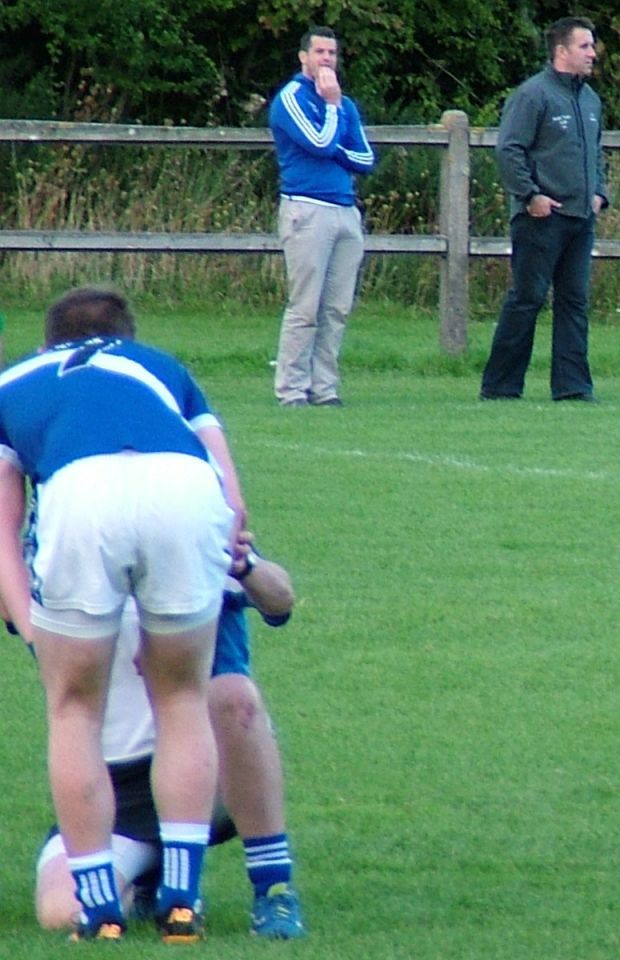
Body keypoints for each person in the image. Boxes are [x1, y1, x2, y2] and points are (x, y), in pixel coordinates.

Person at [0, 286, 246, 942]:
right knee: (183, 698)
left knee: (73, 708)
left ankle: (102, 906)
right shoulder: (162, 366)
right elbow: (232, 499)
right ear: (126, 336)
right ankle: (182, 900)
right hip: (181, 484)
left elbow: (1, 521)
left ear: (48, 342)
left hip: (82, 492)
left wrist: (29, 623)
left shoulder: (13, 382)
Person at [32, 533, 306, 940]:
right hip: (115, 790)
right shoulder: (66, 545)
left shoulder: (185, 531)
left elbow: (280, 600)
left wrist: (245, 566)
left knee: (233, 696)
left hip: (211, 770)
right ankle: (152, 878)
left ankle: (274, 886)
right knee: (61, 910)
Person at [479, 16, 609, 402]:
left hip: (580, 217)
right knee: (527, 299)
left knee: (575, 302)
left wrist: (600, 191)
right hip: (542, 217)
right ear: (561, 51)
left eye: (593, 46)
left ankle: (572, 387)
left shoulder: (589, 99)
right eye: (585, 46)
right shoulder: (533, 95)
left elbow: (597, 152)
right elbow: (509, 149)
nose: (592, 53)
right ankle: (501, 386)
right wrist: (531, 195)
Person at [269, 25, 377, 408]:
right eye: (320, 53)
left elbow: (365, 159)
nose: (327, 60)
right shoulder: (293, 98)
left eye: (332, 53)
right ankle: (292, 389)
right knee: (306, 306)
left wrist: (334, 142)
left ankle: (324, 388)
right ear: (304, 57)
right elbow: (319, 142)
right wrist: (330, 108)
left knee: (336, 307)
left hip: (345, 211)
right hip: (307, 210)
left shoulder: (346, 106)